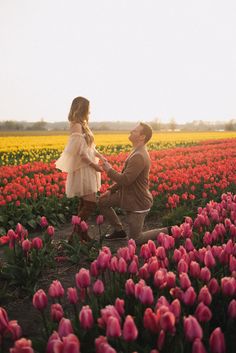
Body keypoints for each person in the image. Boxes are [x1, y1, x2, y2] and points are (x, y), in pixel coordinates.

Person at [99, 122, 168, 245]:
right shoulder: (136, 151)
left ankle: (169, 230)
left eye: (135, 131)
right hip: (126, 196)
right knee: (102, 201)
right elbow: (126, 178)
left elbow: (125, 179)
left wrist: (109, 170)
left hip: (137, 202)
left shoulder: (139, 156)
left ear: (142, 136)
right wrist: (111, 190)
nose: (131, 131)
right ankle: (119, 231)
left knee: (135, 240)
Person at [56, 96, 106, 242]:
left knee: (85, 202)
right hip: (84, 168)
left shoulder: (83, 124)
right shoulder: (76, 125)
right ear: (82, 108)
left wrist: (100, 156)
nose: (90, 111)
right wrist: (94, 165)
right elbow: (80, 152)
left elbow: (90, 148)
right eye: (88, 108)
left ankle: (81, 234)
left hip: (88, 166)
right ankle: (74, 236)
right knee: (90, 202)